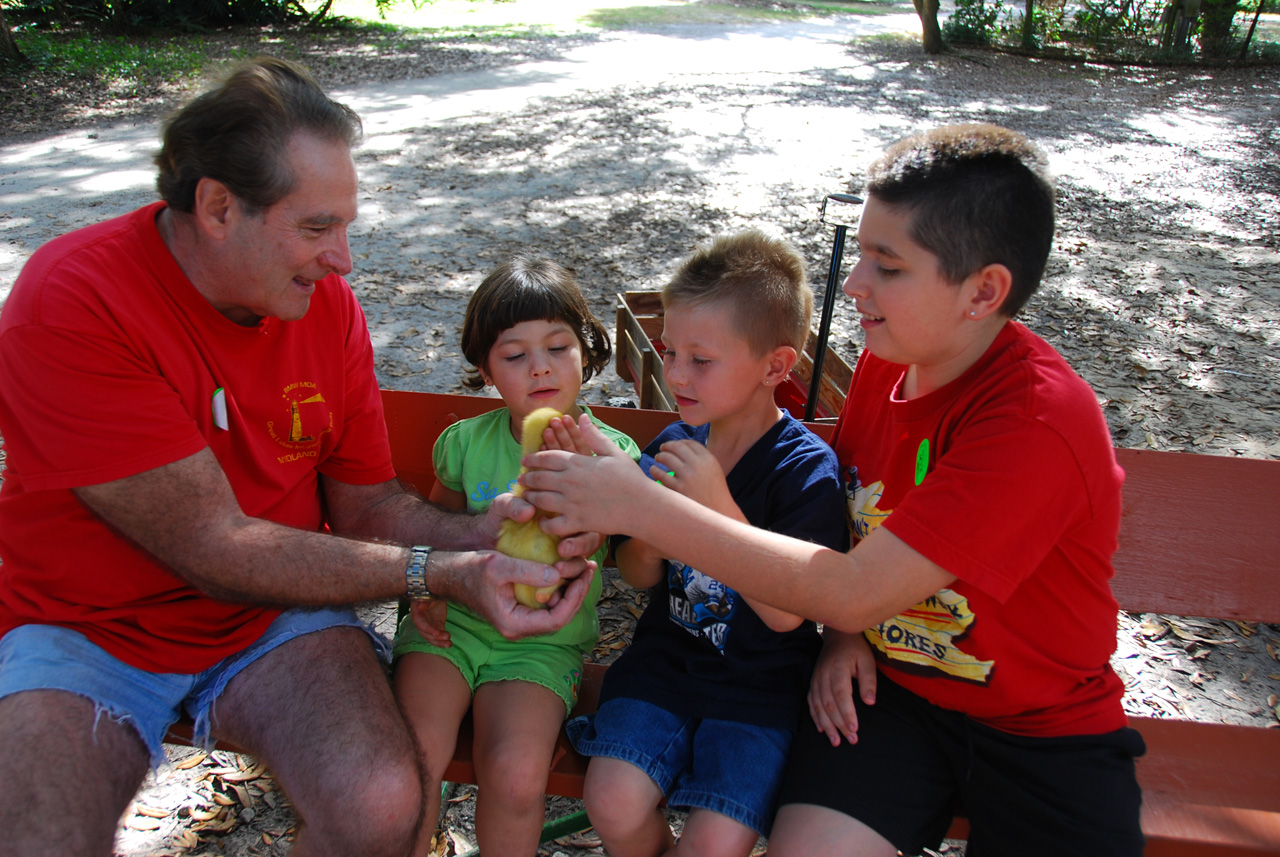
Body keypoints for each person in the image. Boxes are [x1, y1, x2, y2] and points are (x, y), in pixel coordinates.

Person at [0, 57, 597, 857]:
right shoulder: (75, 300)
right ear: (217, 207)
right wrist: (442, 572)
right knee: (39, 834)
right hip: (83, 627)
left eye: (345, 225)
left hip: (272, 618)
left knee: (382, 800)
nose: (343, 259)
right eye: (317, 228)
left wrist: (488, 530)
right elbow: (215, 549)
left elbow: (367, 504)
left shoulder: (326, 309)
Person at [522, 124, 1146, 856]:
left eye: (887, 265)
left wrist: (637, 501)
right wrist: (846, 638)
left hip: (1041, 731)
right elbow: (849, 524)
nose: (854, 285)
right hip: (892, 698)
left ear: (984, 290)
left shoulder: (1036, 421)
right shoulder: (891, 362)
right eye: (861, 257)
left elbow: (849, 585)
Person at [562, 230, 848, 857]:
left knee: (716, 843)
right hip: (666, 664)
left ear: (775, 366)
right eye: (669, 352)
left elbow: (786, 613)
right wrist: (650, 520)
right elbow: (638, 574)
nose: (676, 374)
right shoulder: (673, 444)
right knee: (610, 803)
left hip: (761, 685)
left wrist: (715, 506)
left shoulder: (805, 471)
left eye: (701, 359)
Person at [392, 255, 641, 856]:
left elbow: (637, 567)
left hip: (541, 645)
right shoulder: (464, 443)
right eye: (514, 355)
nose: (540, 368)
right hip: (450, 629)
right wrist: (422, 591)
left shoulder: (615, 457)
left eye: (558, 347)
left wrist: (628, 507)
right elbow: (434, 531)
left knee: (516, 775)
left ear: (585, 351)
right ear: (485, 369)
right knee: (412, 759)